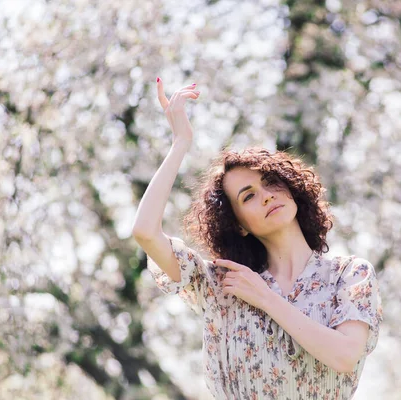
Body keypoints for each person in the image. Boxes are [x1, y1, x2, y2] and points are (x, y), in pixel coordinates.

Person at [132, 78, 383, 400]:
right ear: (238, 225)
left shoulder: (349, 275)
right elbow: (144, 232)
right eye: (248, 196)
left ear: (292, 189)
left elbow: (344, 356)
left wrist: (266, 298)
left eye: (270, 182)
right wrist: (180, 142)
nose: (265, 196)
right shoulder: (224, 286)